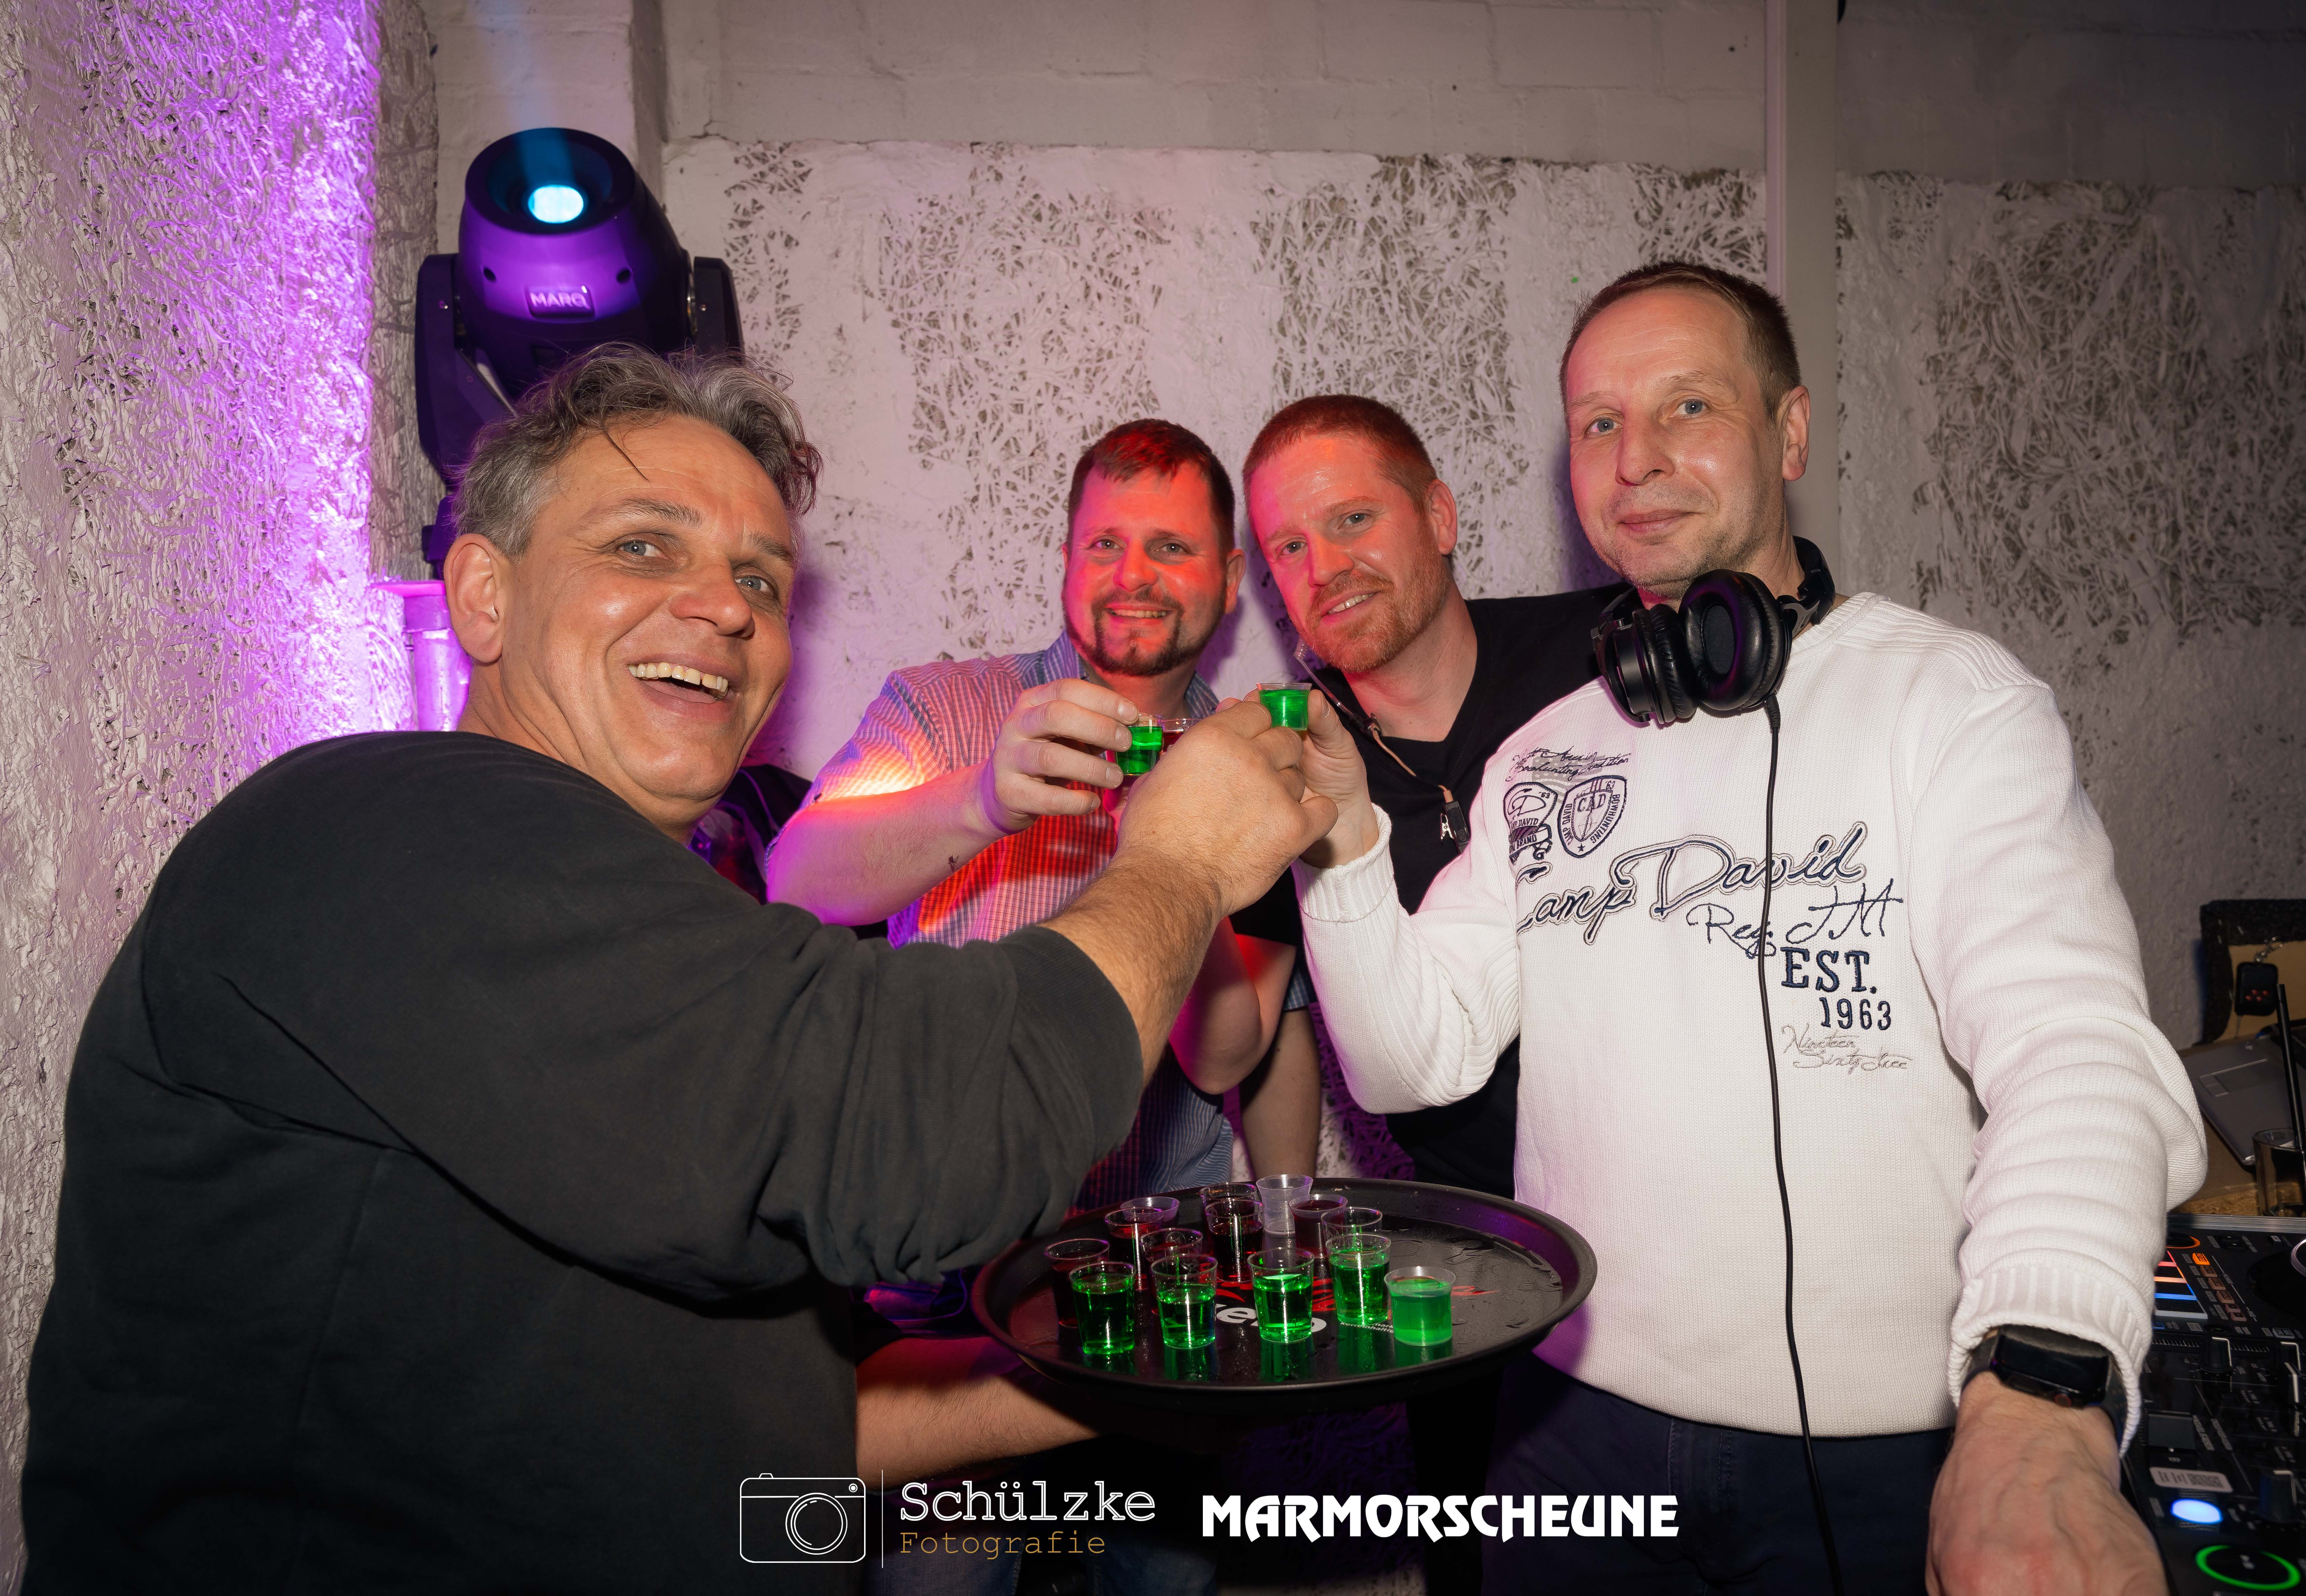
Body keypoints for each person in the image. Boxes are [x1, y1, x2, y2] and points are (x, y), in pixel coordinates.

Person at [23, 347, 1331, 1593]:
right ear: (483, 594)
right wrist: (1174, 862)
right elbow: (930, 1131)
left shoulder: (638, 904)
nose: (722, 604)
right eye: (641, 546)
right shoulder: (385, 827)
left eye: (761, 577)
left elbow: (743, 1410)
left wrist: (1169, 1368)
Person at [1291, 262, 2205, 1593]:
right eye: (1598, 423)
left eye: (1687, 406)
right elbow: (1407, 1059)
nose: (1635, 458)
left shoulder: (1950, 707)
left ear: (1788, 431)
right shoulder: (1542, 755)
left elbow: (2074, 1050)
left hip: (1888, 1456)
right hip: (1566, 1429)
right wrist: (1340, 837)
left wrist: (2043, 1399)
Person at [1241, 393, 1611, 1594]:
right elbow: (1230, 1050)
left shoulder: (1603, 659)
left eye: (1353, 520)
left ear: (1441, 518)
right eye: (1287, 546)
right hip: (1469, 1266)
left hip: (1664, 1230)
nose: (1322, 567)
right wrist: (1177, 875)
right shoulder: (1291, 761)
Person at [770, 416, 1322, 1213]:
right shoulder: (942, 706)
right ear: (1066, 562)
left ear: (1231, 578)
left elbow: (1224, 1059)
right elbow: (796, 879)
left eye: (1171, 546)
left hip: (1161, 1243)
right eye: (1105, 544)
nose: (1134, 575)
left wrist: (1177, 845)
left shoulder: (1251, 759)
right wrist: (983, 799)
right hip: (946, 1224)